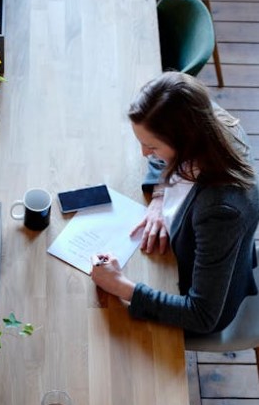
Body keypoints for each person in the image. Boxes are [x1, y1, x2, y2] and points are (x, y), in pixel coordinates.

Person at [91, 71, 259, 335]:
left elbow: (202, 315)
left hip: (199, 300)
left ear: (185, 142)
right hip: (186, 255)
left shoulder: (220, 212)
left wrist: (121, 286)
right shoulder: (202, 118)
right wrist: (159, 197)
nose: (145, 154)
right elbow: (162, 160)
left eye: (152, 147)